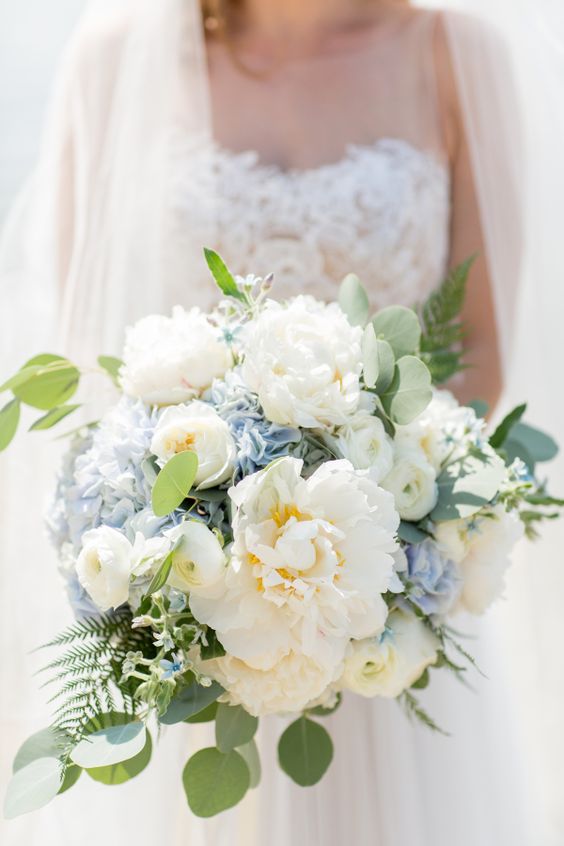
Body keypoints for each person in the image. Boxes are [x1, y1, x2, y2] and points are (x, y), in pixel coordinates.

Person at [0, 1, 561, 844]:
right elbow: (91, 359)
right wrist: (208, 564)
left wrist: (373, 542)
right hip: (182, 617)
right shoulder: (114, 53)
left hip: (383, 618)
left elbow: (476, 351)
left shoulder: (454, 52)